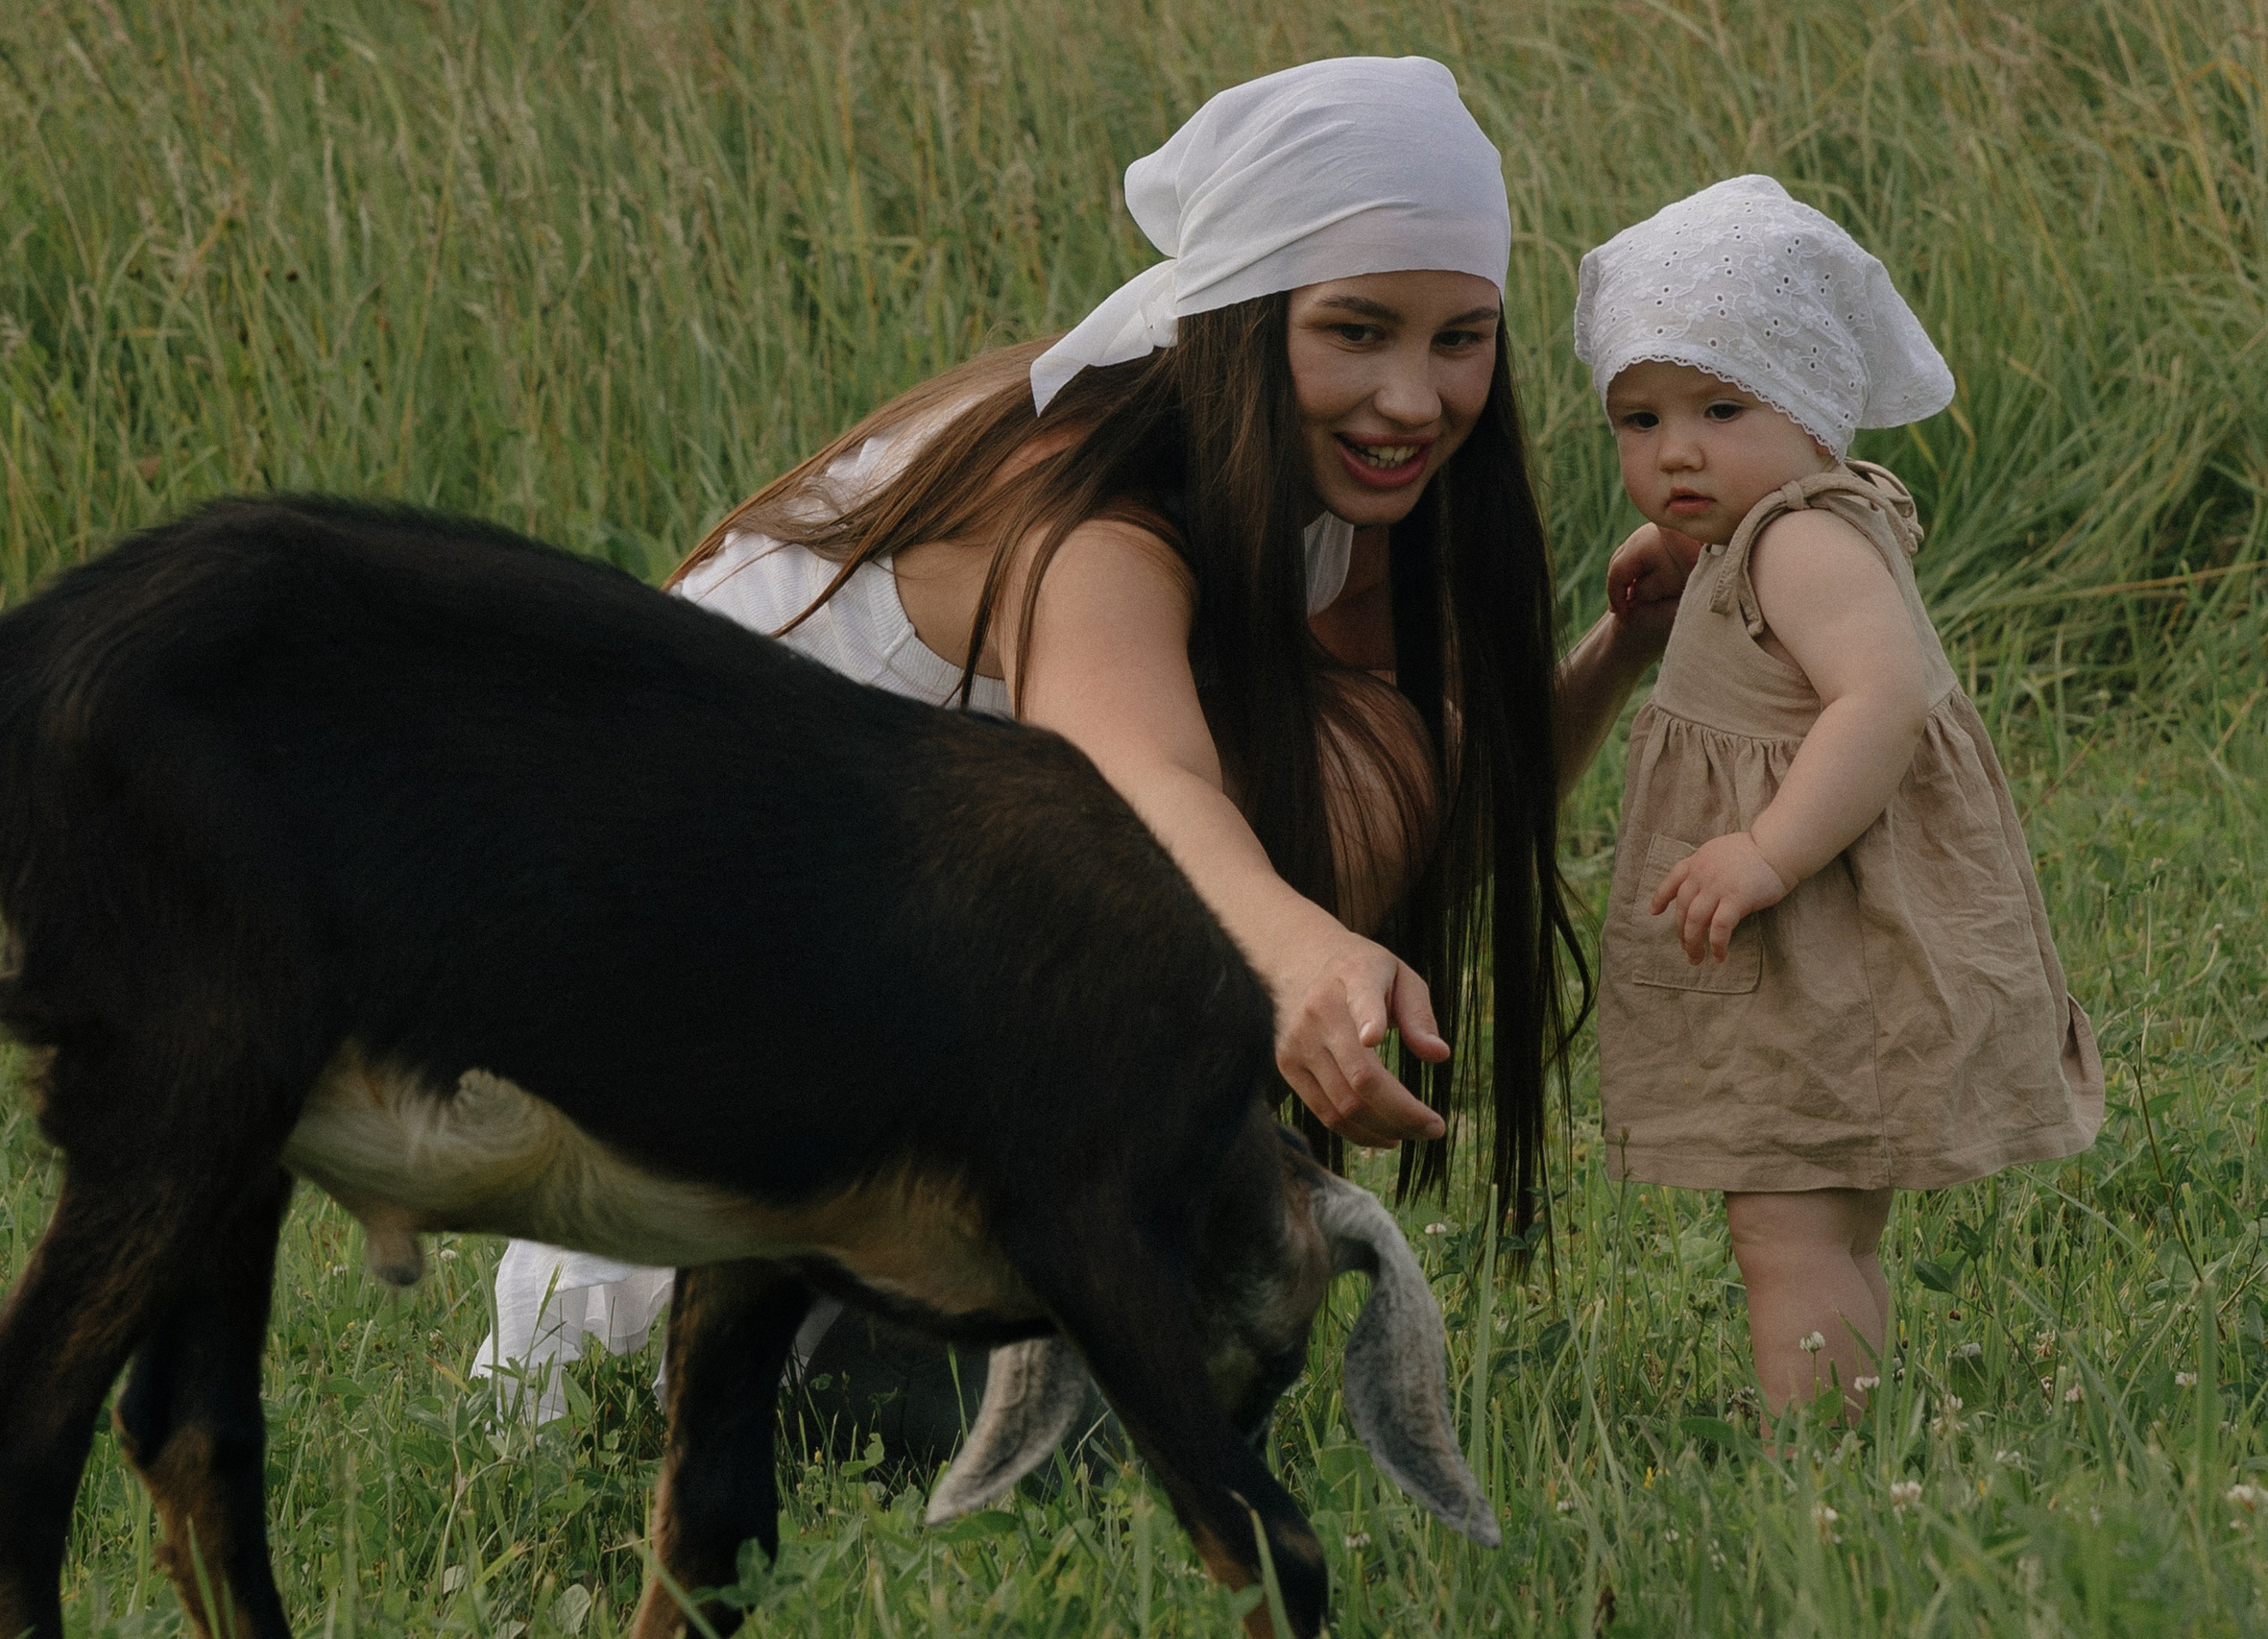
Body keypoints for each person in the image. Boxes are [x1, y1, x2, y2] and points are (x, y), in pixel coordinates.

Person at [475, 56, 1671, 1442]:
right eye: (1356, 330)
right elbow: (1138, 779)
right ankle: (720, 1369)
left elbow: (1409, 834)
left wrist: (1617, 652)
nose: (1414, 397)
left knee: (1347, 786)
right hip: (684, 996)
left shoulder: (1331, 487)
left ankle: (958, 1345)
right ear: (1242, 313)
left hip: (897, 945)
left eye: (1459, 337)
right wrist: (1293, 959)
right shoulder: (1087, 500)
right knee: (1211, 905)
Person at [1577, 176, 2105, 1416]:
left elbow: (1880, 705)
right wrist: (1685, 560)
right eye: (1639, 420)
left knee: (1792, 1222)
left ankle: (1822, 1458)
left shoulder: (1803, 542)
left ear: (1815, 408)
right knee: (1798, 1216)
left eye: (1719, 406)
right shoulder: (1751, 535)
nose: (1676, 451)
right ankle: (1836, 1429)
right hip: (1803, 962)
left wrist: (1765, 849)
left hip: (1830, 946)